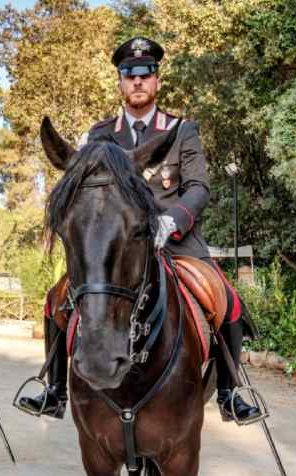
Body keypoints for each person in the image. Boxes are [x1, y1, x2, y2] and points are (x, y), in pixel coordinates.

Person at [17, 36, 262, 423]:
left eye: (145, 74)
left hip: (174, 241)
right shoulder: (100, 134)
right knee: (56, 301)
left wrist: (172, 220)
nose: (137, 81)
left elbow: (199, 187)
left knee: (226, 298)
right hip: (117, 246)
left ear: (157, 81)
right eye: (129, 75)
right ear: (120, 82)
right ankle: (54, 389)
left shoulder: (182, 131)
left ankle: (232, 392)